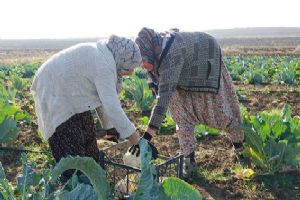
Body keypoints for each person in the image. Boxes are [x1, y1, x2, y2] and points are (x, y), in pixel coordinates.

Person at [132, 27, 244, 178]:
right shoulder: (156, 52)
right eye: (141, 61)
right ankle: (189, 162)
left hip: (205, 60)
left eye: (144, 60)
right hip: (184, 71)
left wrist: (146, 137)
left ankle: (243, 153)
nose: (143, 66)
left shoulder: (170, 54)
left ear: (150, 51)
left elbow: (163, 98)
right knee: (181, 116)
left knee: (221, 114)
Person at [30, 35, 144, 180]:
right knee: (73, 156)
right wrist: (136, 140)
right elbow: (111, 105)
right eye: (130, 67)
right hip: (54, 92)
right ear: (122, 59)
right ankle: (75, 189)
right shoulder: (103, 63)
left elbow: (102, 98)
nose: (131, 72)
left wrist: (110, 128)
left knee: (89, 146)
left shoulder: (106, 57)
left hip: (73, 96)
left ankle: (92, 185)